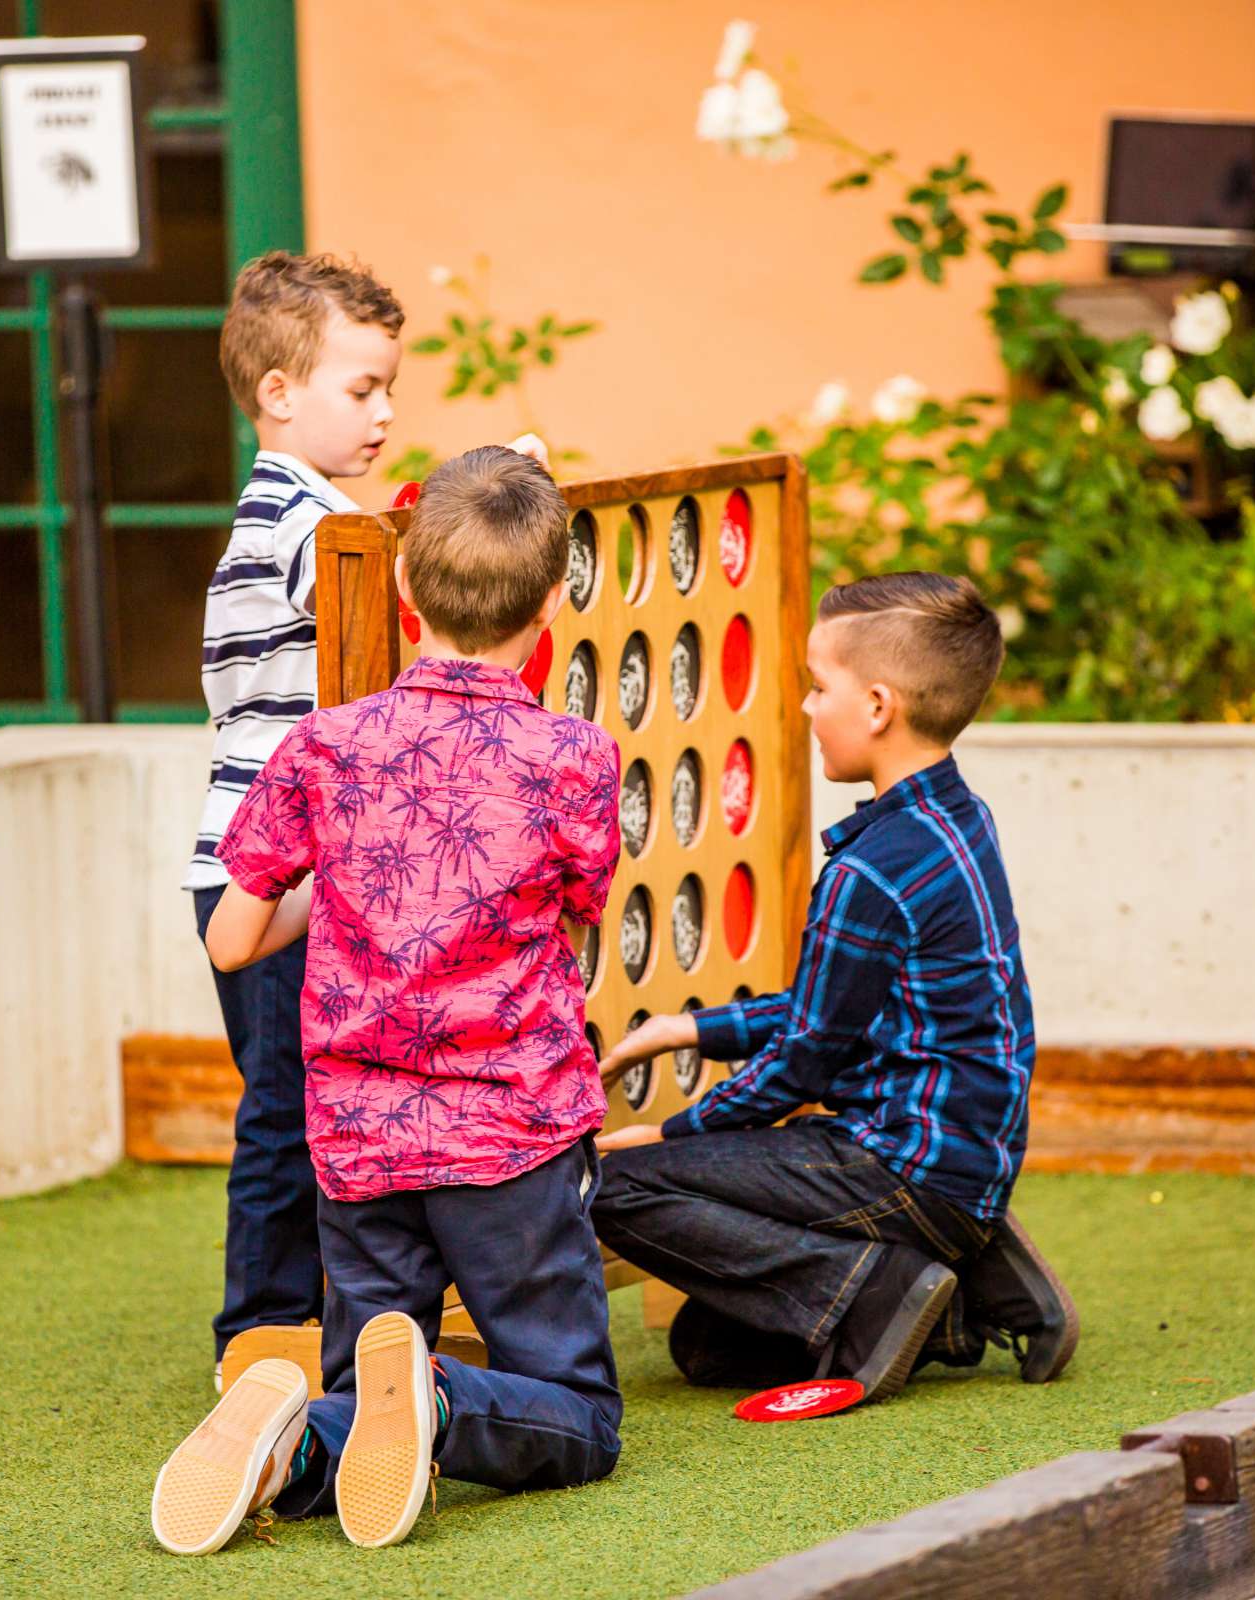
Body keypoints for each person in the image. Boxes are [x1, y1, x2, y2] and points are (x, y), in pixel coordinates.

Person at [153, 446, 623, 1557]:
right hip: (511, 1134)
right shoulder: (575, 756)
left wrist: (353, 873)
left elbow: (233, 940)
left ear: (404, 586)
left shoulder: (323, 749)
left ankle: (305, 1430)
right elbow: (582, 907)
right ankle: (447, 1402)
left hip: (358, 1142)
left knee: (376, 1382)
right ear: (554, 602)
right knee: (581, 1410)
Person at [590, 572, 1078, 1405]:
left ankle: (874, 1293)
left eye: (820, 688)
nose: (808, 708)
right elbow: (842, 1008)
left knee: (614, 1188)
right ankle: (971, 1289)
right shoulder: (958, 820)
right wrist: (691, 1030)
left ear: (879, 705)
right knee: (706, 1349)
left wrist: (667, 1135)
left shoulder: (869, 872)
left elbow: (805, 1063)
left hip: (903, 1165)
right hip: (969, 1163)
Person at [184, 251, 407, 1381]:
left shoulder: (323, 517)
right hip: (272, 872)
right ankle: (261, 1330)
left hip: (287, 863)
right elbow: (402, 611)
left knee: (317, 1095)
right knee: (286, 1103)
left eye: (387, 390)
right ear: (279, 393)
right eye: (360, 389)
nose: (384, 413)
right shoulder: (307, 524)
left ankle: (325, 1308)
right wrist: (492, 510)